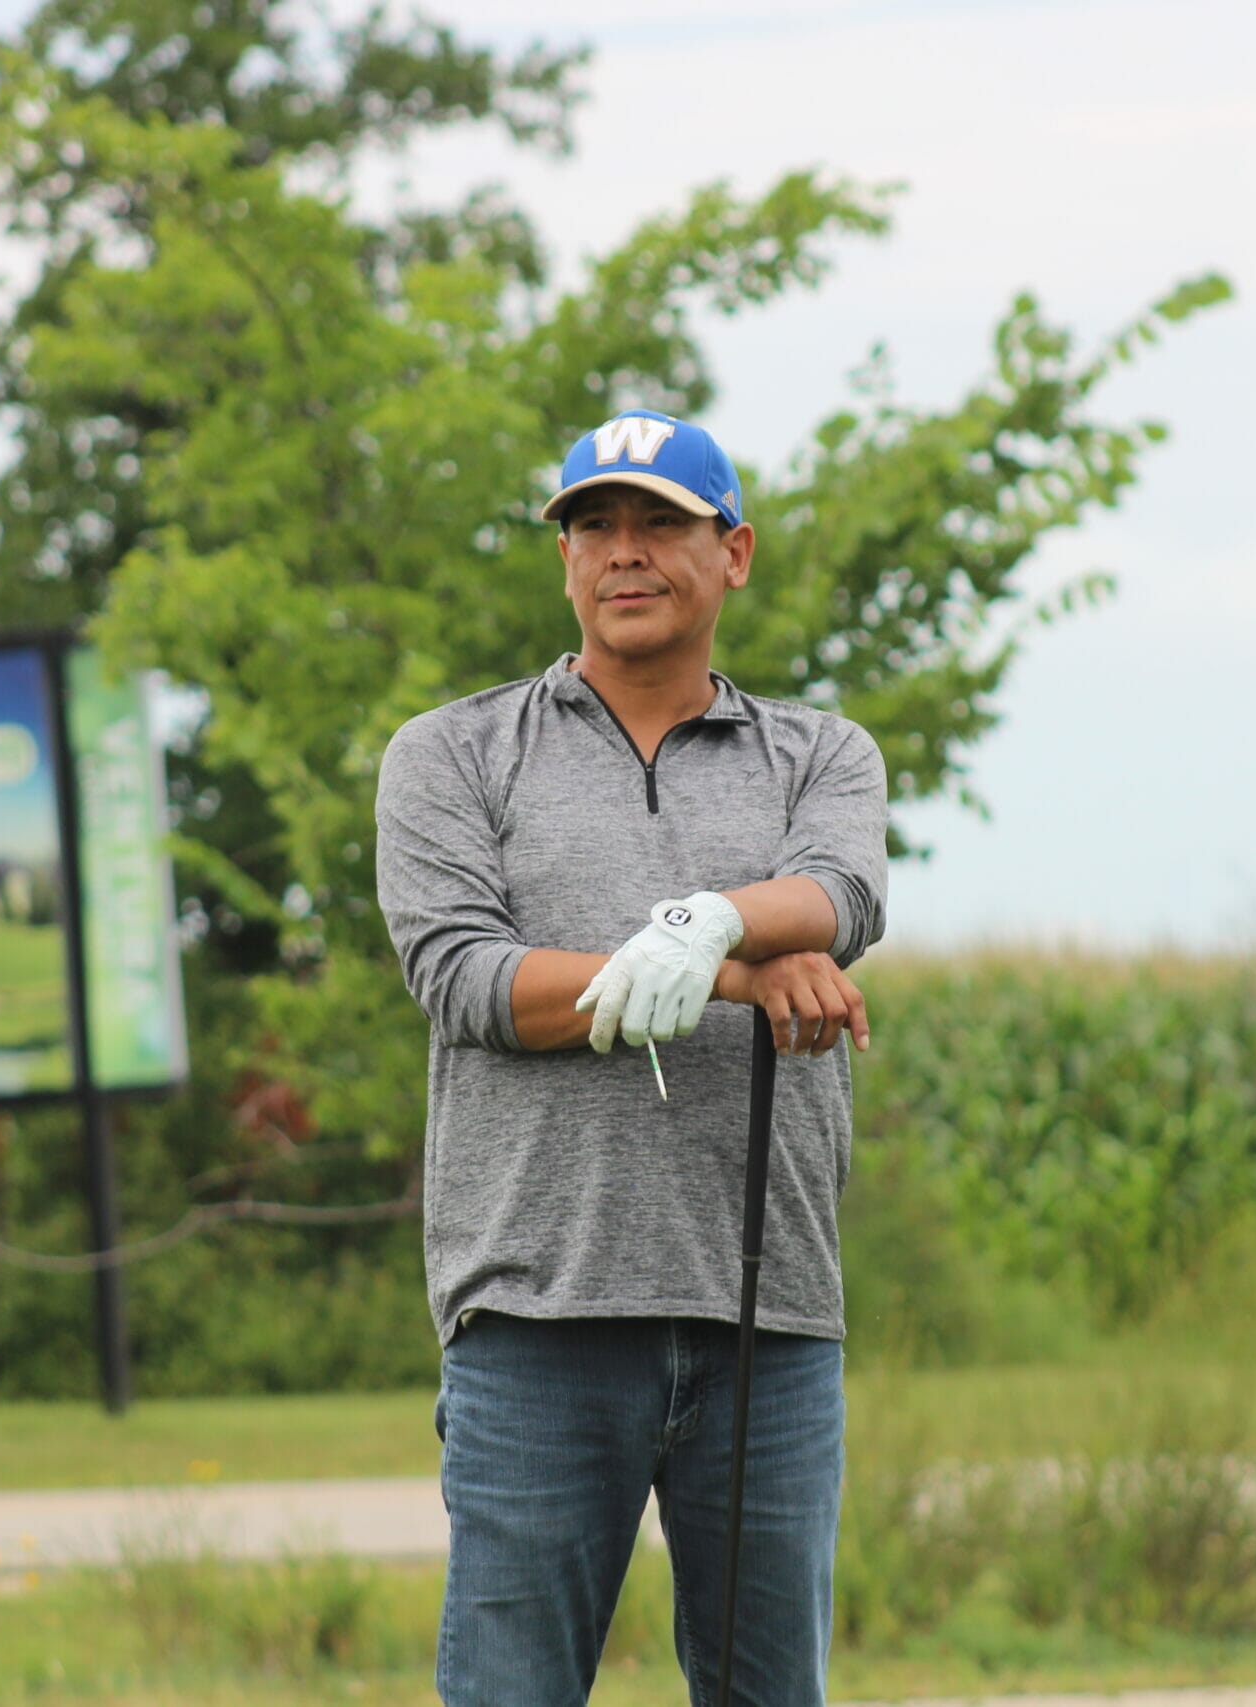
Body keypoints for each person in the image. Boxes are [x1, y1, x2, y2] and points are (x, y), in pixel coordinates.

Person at [374, 408, 891, 1705]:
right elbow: (470, 982)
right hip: (536, 1314)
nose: (625, 551)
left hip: (767, 1319)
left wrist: (714, 916)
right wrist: (736, 968)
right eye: (594, 524)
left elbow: (841, 895)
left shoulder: (820, 753)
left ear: (735, 553)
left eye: (663, 523)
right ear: (563, 557)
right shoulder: (451, 752)